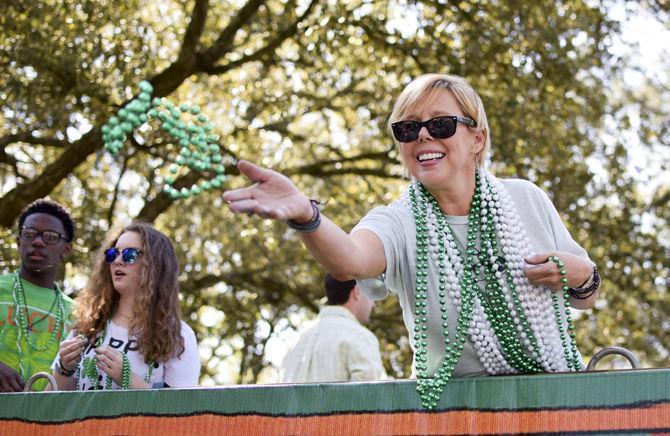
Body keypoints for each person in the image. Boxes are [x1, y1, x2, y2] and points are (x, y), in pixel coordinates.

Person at [222, 73, 600, 408]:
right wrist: (307, 215)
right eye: (407, 128)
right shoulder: (400, 221)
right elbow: (350, 259)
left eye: (441, 124)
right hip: (458, 415)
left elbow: (586, 298)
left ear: (477, 139)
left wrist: (583, 275)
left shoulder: (525, 199)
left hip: (557, 400)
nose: (423, 135)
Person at [51, 222, 200, 390]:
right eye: (113, 254)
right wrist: (64, 368)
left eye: (129, 254)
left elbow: (181, 413)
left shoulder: (178, 335)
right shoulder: (89, 324)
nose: (117, 261)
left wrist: (128, 379)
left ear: (156, 265)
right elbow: (48, 406)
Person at [0, 199, 76, 392]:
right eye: (29, 234)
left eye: (50, 236)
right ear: (19, 242)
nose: (38, 241)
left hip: (44, 419)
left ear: (66, 249)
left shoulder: (77, 314)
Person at [280, 273, 385, 383]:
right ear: (357, 292)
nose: (373, 304)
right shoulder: (360, 337)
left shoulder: (295, 341)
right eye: (371, 294)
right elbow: (370, 397)